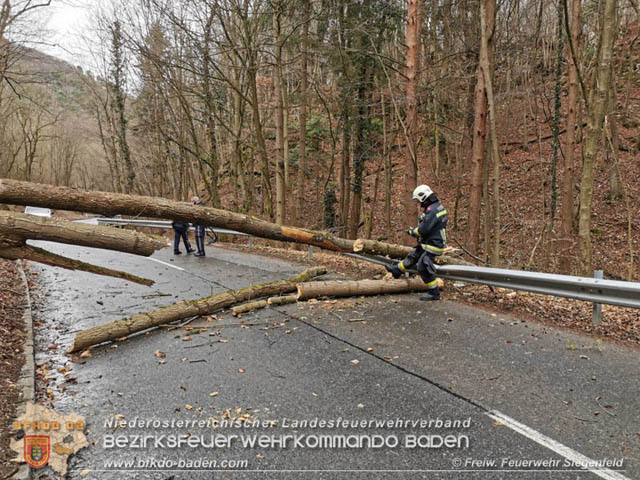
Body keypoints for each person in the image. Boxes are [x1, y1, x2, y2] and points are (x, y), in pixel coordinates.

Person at [385, 185, 448, 301]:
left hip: (433, 245)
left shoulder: (432, 211)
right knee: (414, 255)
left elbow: (423, 229)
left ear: (423, 197)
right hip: (429, 242)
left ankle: (434, 292)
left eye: (419, 200)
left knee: (422, 266)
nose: (419, 203)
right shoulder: (437, 207)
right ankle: (396, 270)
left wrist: (413, 232)